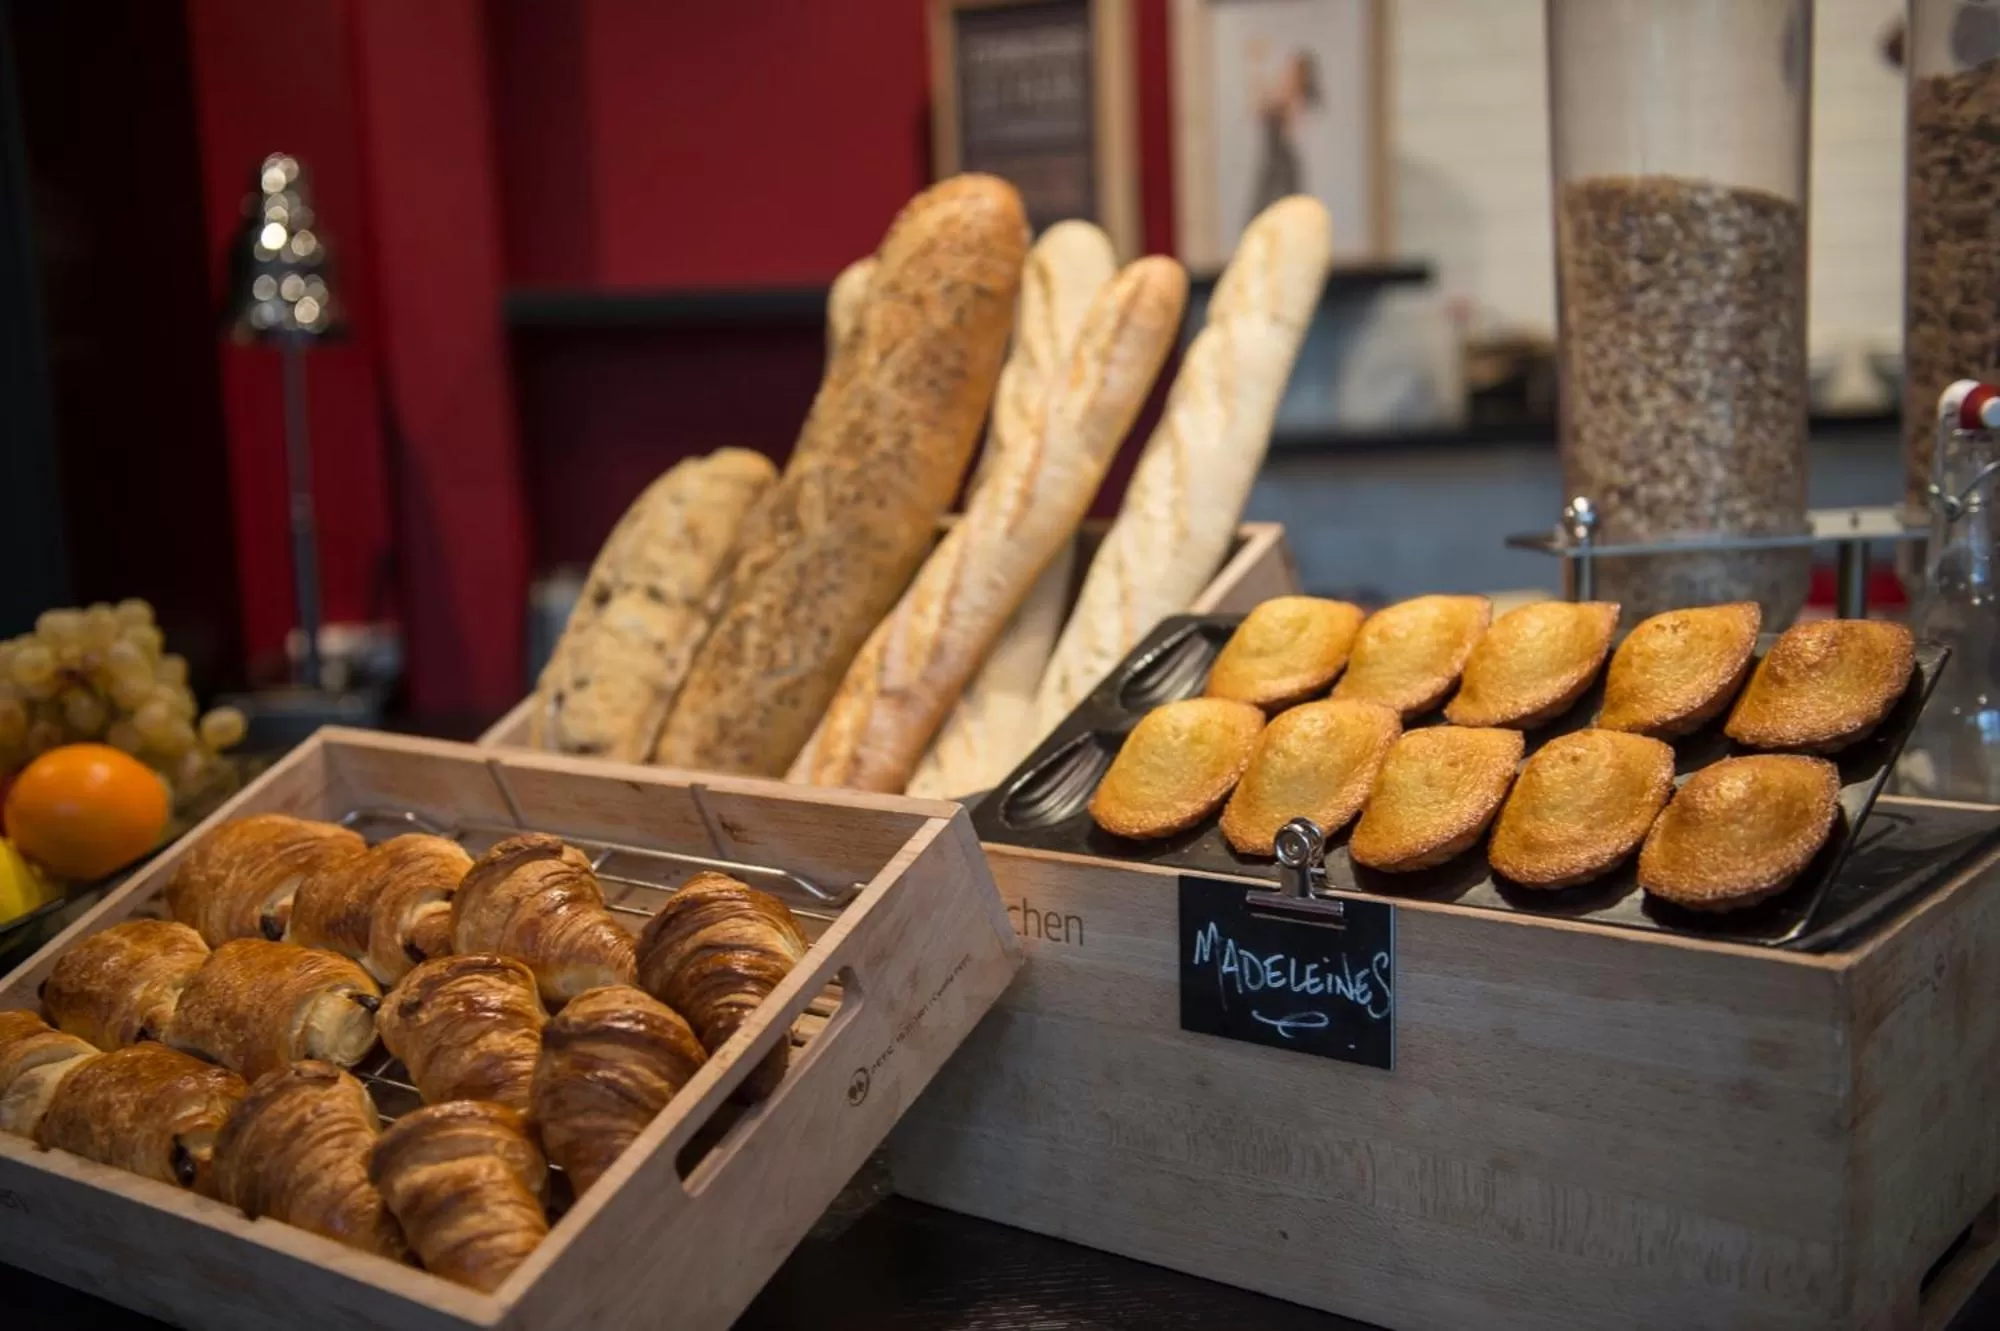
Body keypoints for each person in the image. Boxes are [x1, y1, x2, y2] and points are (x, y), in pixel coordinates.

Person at [1249, 46, 1321, 217]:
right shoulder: (1283, 98)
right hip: (1274, 160)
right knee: (1264, 206)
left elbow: (1289, 128)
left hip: (1285, 161)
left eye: (1291, 70)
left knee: (1289, 207)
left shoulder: (1296, 100)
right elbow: (1260, 106)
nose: (1286, 74)